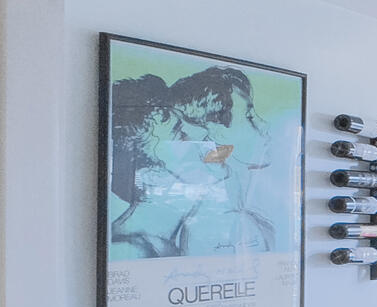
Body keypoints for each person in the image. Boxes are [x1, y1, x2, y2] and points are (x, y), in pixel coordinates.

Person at [107, 65, 277, 259]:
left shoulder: (170, 243)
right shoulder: (130, 249)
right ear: (152, 175)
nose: (205, 134)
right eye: (180, 134)